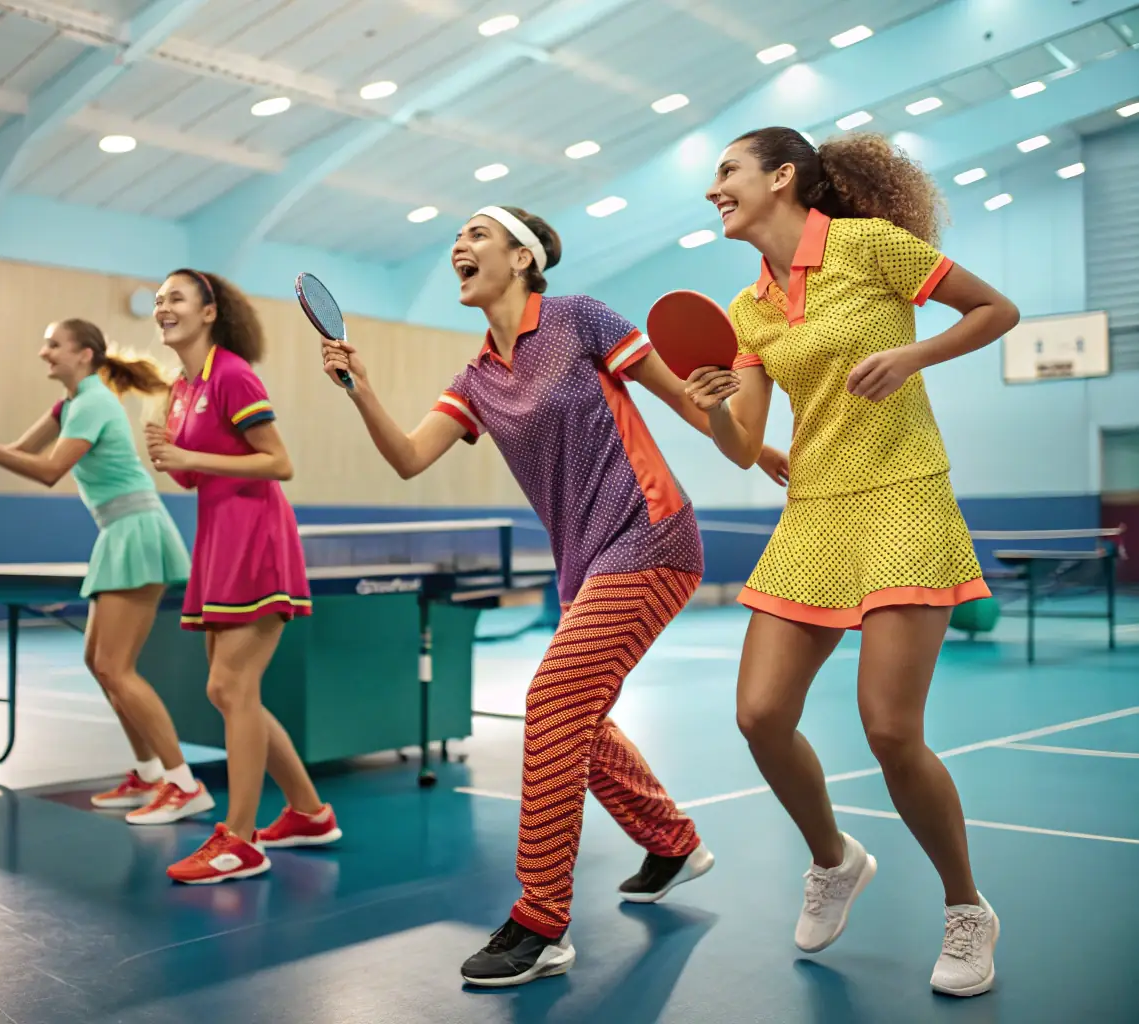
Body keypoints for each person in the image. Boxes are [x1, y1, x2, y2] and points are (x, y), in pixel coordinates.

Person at [319, 205, 791, 987]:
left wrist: (756, 442)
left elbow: (679, 399)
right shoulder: (475, 377)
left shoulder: (580, 320)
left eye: (476, 235)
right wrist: (359, 389)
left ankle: (540, 920)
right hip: (584, 563)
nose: (458, 247)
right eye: (458, 238)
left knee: (551, 705)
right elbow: (407, 458)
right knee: (578, 714)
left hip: (651, 533)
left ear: (522, 257)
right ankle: (670, 841)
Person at [686, 127, 1020, 997]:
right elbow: (743, 444)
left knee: (888, 730)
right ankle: (834, 859)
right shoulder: (747, 309)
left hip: (904, 496)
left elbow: (995, 311)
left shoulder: (869, 246)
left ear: (783, 177)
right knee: (759, 715)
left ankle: (965, 908)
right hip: (812, 514)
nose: (714, 188)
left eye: (728, 172)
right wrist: (715, 406)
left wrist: (914, 353)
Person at [0, 318, 213, 823]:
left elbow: (49, 471)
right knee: (100, 664)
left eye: (54, 345)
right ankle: (149, 773)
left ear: (84, 355)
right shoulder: (69, 405)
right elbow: (23, 452)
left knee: (118, 667)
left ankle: (184, 784)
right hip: (117, 532)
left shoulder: (93, 403)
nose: (44, 352)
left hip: (137, 531)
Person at [144, 267, 342, 885]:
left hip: (256, 538)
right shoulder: (181, 388)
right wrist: (170, 457)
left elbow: (278, 462)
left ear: (209, 312)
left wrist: (188, 455)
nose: (162, 307)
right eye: (157, 300)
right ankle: (308, 814)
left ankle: (238, 839)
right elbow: (200, 474)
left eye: (175, 297)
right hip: (217, 539)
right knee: (230, 691)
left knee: (232, 688)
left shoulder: (231, 372)